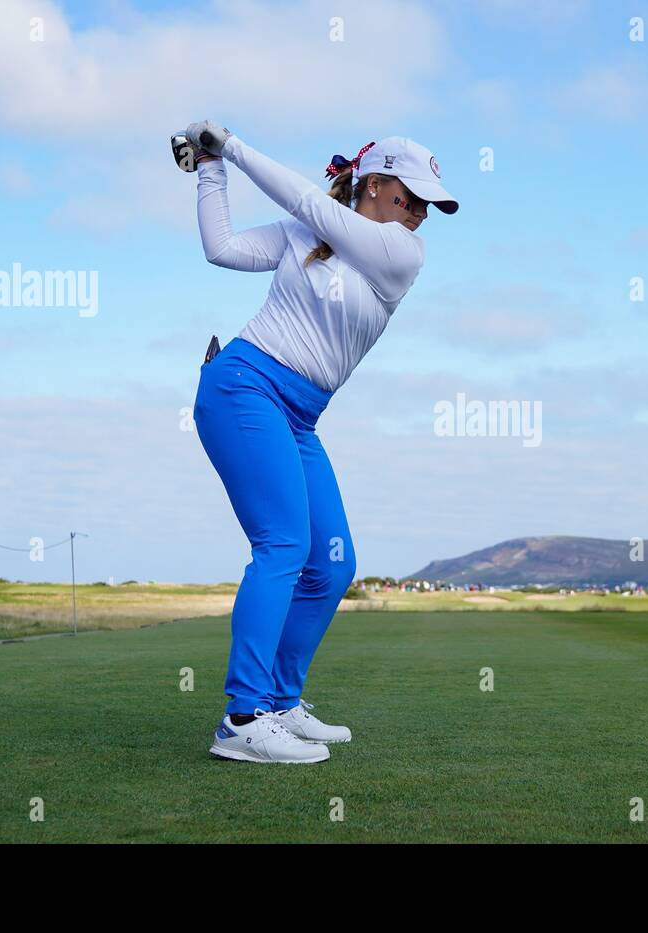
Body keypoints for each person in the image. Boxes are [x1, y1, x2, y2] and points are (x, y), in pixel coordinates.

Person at [185, 121, 459, 764]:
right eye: (411, 197)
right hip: (245, 388)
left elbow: (310, 203)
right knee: (283, 543)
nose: (419, 213)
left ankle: (279, 701)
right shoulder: (304, 235)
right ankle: (243, 719)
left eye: (428, 205)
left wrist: (235, 145)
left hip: (300, 416)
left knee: (332, 564)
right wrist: (210, 166)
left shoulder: (400, 254)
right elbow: (221, 248)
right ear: (375, 183)